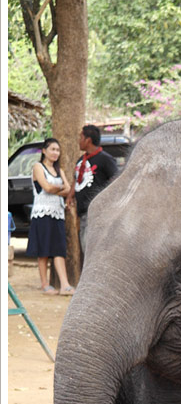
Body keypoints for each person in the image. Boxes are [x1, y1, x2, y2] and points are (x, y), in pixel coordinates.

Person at [25, 138, 75, 295]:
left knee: (59, 248)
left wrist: (55, 188)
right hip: (42, 213)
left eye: (58, 150)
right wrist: (57, 188)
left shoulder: (59, 170)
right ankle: (45, 284)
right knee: (44, 249)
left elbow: (68, 189)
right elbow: (45, 187)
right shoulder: (38, 167)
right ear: (44, 151)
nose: (55, 153)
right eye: (52, 149)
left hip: (58, 213)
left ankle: (65, 284)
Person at [66, 125, 118, 253]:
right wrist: (70, 196)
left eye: (81, 137)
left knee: (94, 249)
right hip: (83, 212)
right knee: (85, 247)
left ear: (88, 140)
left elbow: (116, 179)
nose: (79, 140)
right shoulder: (81, 160)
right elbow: (76, 179)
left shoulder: (105, 159)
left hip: (98, 212)